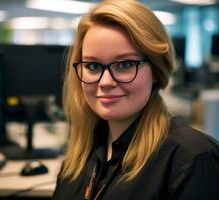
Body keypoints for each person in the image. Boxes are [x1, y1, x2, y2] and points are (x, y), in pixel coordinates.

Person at [52, 0, 219, 199]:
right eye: (93, 66)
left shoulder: (192, 159)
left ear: (156, 70)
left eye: (124, 65)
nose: (105, 82)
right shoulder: (81, 155)